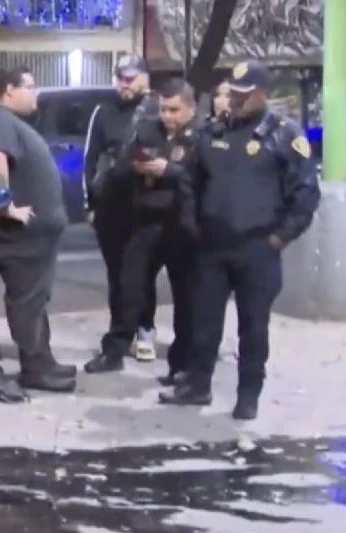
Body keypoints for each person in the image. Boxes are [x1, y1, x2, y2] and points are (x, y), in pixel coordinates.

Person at [160, 60, 320, 419]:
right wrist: (191, 221)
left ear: (262, 95)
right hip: (212, 247)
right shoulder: (213, 132)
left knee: (253, 327)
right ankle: (197, 386)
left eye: (243, 95)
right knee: (203, 321)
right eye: (232, 93)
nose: (234, 101)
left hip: (258, 248)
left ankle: (248, 395)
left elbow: (306, 193)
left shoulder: (283, 135)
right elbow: (189, 180)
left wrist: (280, 237)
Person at [0, 67, 76, 393]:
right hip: (21, 236)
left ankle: (43, 360)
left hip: (34, 236)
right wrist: (5, 205)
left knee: (35, 299)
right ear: (8, 91)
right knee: (28, 300)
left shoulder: (7, 121)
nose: (35, 92)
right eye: (29, 86)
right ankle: (36, 369)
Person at [84, 79, 199, 377]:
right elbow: (119, 168)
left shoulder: (202, 137)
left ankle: (182, 362)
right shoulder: (147, 131)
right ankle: (115, 349)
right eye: (164, 109)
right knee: (129, 288)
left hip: (182, 226)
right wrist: (135, 168)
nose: (168, 116)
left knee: (186, 298)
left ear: (191, 109)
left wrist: (169, 171)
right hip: (145, 223)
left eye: (175, 110)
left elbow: (205, 178)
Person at [83, 55, 161, 371]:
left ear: (145, 78)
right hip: (111, 207)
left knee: (141, 274)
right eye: (120, 78)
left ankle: (144, 328)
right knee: (117, 276)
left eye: (130, 78)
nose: (124, 84)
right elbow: (90, 157)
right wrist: (89, 203)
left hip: (148, 206)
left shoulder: (157, 110)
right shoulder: (104, 111)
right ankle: (121, 333)